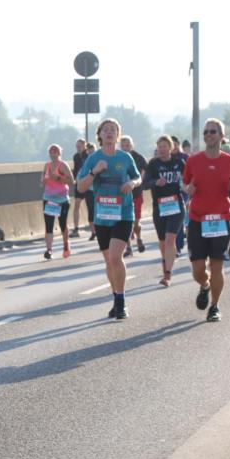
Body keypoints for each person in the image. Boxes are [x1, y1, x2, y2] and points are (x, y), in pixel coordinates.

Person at [76, 118, 141, 320]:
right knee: (108, 262)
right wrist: (95, 172)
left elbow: (138, 178)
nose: (110, 133)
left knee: (115, 257)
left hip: (123, 214)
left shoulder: (125, 158)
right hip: (103, 216)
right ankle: (115, 297)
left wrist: (131, 182)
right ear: (100, 135)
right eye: (106, 130)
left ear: (118, 135)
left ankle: (121, 302)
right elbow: (80, 187)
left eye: (113, 130)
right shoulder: (93, 159)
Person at [183, 118, 230, 322]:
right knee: (198, 270)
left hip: (221, 218)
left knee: (217, 267)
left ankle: (214, 306)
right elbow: (185, 185)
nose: (209, 135)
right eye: (206, 132)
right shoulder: (193, 161)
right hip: (198, 219)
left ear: (222, 136)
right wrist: (188, 189)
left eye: (213, 132)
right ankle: (205, 285)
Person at [142, 135, 186, 287]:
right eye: (159, 147)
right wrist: (155, 182)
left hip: (176, 204)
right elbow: (144, 184)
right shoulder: (153, 164)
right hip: (159, 206)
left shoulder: (179, 163)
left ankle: (167, 275)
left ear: (171, 147)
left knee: (170, 239)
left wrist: (187, 188)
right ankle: (166, 268)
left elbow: (188, 179)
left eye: (164, 146)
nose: (161, 149)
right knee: (162, 243)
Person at [41, 144, 75, 259]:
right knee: (48, 225)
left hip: (62, 200)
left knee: (62, 224)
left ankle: (66, 245)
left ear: (59, 153)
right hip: (48, 199)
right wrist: (43, 181)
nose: (53, 154)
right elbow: (43, 179)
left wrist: (58, 178)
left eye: (55, 152)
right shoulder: (47, 165)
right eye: (51, 152)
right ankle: (49, 250)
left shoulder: (63, 165)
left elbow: (72, 181)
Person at [120, 136, 149, 255]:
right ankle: (128, 247)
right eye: (123, 146)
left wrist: (137, 182)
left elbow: (144, 173)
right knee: (125, 222)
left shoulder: (139, 158)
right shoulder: (118, 157)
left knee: (136, 222)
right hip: (123, 195)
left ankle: (139, 238)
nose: (126, 148)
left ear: (132, 145)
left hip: (136, 193)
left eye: (128, 145)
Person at [71, 139, 88, 236]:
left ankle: (96, 226)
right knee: (76, 204)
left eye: (80, 146)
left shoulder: (89, 156)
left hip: (89, 183)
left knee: (91, 206)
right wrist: (73, 179)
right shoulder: (76, 156)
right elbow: (76, 169)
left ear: (84, 146)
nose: (78, 148)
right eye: (77, 146)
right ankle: (76, 228)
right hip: (79, 183)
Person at [84, 142, 98, 241]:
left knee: (99, 210)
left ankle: (100, 230)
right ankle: (93, 232)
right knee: (91, 210)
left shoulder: (100, 159)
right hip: (89, 189)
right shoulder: (86, 162)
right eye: (89, 152)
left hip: (99, 190)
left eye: (92, 151)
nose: (91, 154)